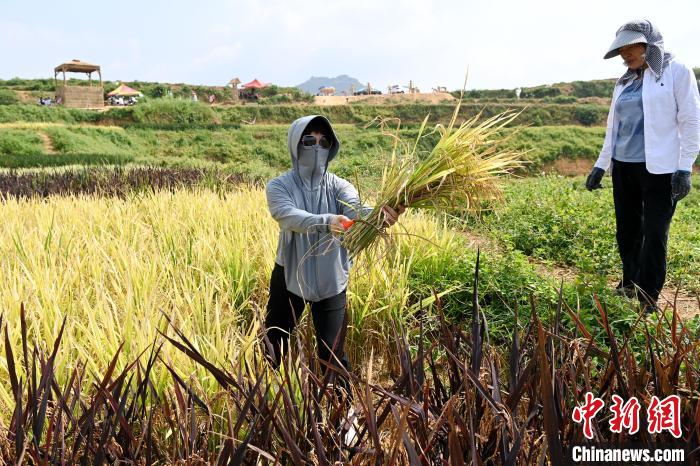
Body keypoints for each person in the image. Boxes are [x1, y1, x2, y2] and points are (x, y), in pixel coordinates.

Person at [264, 115, 404, 404]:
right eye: (309, 140)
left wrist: (382, 217)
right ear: (295, 144)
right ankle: (263, 400)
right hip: (290, 277)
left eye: (323, 141)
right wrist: (326, 221)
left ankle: (343, 417)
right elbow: (287, 215)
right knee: (274, 341)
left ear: (332, 146)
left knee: (333, 354)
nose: (317, 146)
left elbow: (358, 210)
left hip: (332, 279)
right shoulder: (279, 186)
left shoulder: (340, 186)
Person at [585, 19, 700, 312]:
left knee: (655, 232)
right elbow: (614, 127)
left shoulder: (676, 71)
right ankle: (629, 283)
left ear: (650, 44)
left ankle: (648, 296)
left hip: (659, 169)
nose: (625, 54)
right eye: (621, 49)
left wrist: (685, 167)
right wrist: (601, 164)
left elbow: (690, 120)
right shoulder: (624, 81)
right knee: (627, 231)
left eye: (630, 46)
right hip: (624, 166)